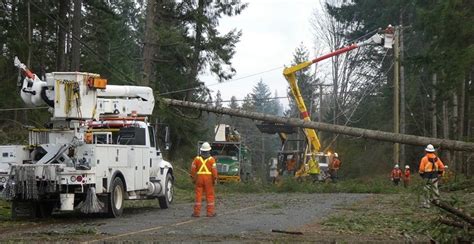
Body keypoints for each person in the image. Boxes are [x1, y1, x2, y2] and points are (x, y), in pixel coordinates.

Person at [191, 142, 218, 217]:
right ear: (209, 151)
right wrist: (215, 179)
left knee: (198, 196)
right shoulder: (212, 160)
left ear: (201, 150)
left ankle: (196, 213)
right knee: (210, 196)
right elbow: (214, 171)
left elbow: (193, 169)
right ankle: (210, 213)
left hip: (199, 179)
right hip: (208, 179)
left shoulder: (196, 159)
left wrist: (193, 178)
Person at [419, 144, 445, 208]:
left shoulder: (424, 159)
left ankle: (427, 204)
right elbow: (442, 167)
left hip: (427, 177)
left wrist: (421, 174)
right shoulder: (437, 158)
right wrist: (440, 173)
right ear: (433, 151)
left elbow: (421, 169)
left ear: (426, 151)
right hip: (435, 176)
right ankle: (437, 202)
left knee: (426, 189)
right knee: (435, 189)